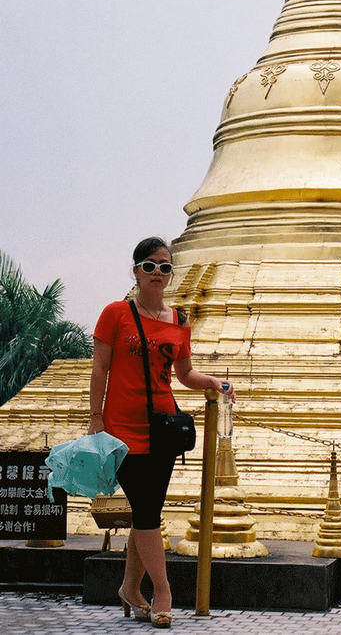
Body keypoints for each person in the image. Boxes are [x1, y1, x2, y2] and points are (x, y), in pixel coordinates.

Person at [88, 237, 234, 628]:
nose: (157, 273)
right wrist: (95, 418)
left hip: (163, 428)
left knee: (145, 510)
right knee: (148, 510)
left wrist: (216, 382)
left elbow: (184, 374)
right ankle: (164, 591)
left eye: (165, 267)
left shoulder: (179, 320)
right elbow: (100, 368)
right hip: (122, 428)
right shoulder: (115, 314)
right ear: (135, 270)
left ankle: (130, 590)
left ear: (172, 274)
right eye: (149, 265)